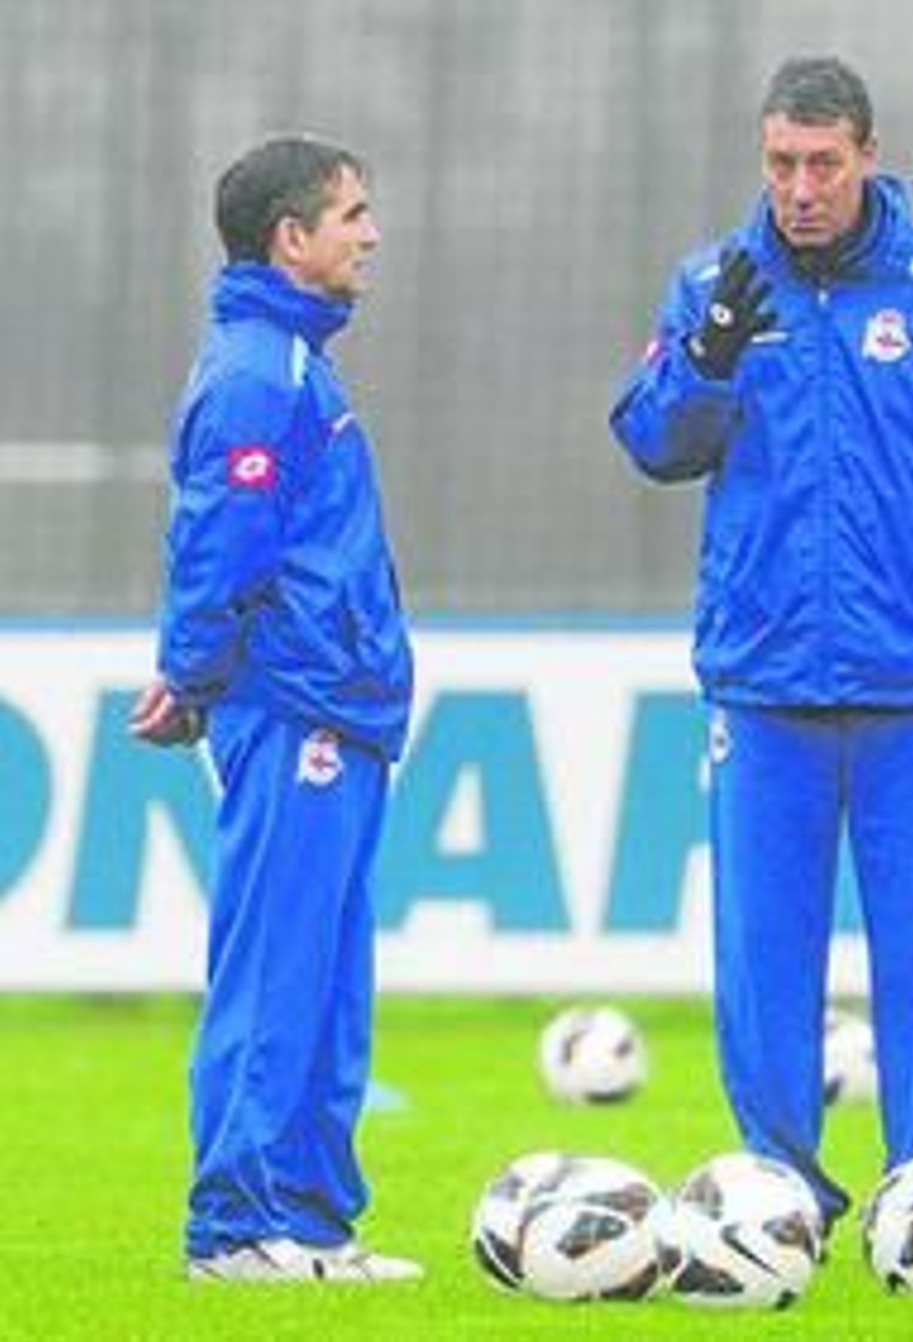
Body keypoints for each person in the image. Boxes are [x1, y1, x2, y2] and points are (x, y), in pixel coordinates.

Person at [610, 56, 913, 1230]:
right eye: (779, 164)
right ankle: (778, 1190)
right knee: (764, 959)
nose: (799, 188)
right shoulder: (712, 286)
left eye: (821, 163)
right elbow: (656, 444)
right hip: (764, 680)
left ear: (867, 154)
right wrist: (706, 359)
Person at [130, 134, 420, 1282]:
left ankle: (307, 1221)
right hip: (292, 702)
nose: (371, 232)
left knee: (331, 984)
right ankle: (234, 1227)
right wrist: (194, 675)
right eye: (352, 213)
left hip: (336, 706)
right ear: (291, 240)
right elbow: (223, 542)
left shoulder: (296, 360)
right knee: (276, 971)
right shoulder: (260, 368)